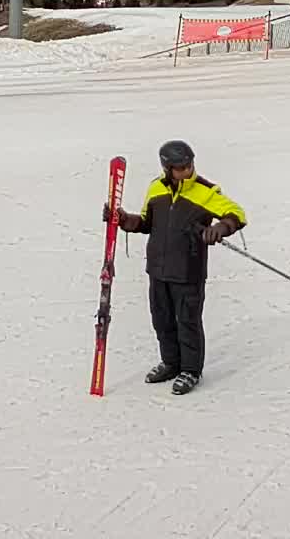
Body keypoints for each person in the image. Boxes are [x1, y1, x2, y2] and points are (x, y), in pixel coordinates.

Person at [104, 140, 246, 396]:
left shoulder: (205, 191)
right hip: (158, 270)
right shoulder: (156, 189)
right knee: (162, 320)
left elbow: (236, 213)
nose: (187, 171)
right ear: (168, 168)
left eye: (189, 165)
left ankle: (191, 370)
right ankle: (171, 363)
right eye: (180, 167)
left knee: (187, 322)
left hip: (188, 271)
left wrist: (220, 228)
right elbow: (147, 223)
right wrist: (124, 220)